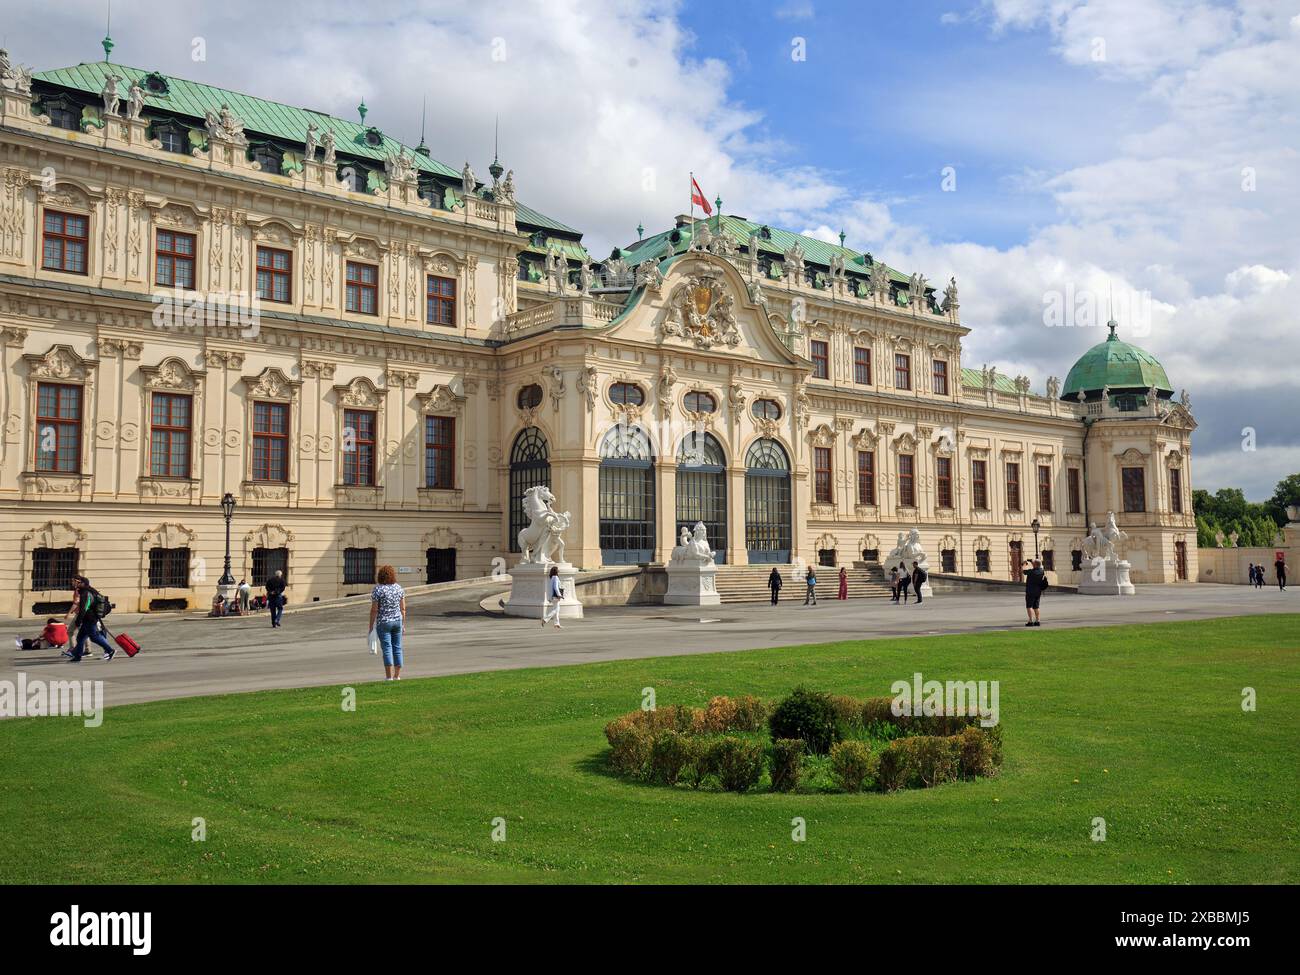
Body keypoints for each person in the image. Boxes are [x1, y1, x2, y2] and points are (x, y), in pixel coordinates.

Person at [369, 564, 407, 681]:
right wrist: (403, 624)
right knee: (397, 648)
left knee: (387, 648)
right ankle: (397, 675)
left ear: (380, 576)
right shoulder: (399, 588)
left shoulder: (378, 589)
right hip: (397, 621)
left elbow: (374, 609)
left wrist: (371, 626)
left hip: (384, 622)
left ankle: (388, 676)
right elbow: (403, 608)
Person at [68, 576, 115, 662]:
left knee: (94, 637)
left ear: (82, 583)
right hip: (88, 618)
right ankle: (77, 656)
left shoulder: (85, 593)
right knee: (80, 638)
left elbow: (84, 608)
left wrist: (78, 620)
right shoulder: (87, 591)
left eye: (76, 582)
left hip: (90, 618)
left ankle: (110, 650)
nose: (74, 583)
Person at [1024, 558, 1047, 626]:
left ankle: (1030, 621)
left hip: (1030, 591)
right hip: (1038, 591)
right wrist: (1032, 562)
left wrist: (1024, 564)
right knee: (1036, 607)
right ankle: (1037, 621)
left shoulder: (1031, 572)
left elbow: (1023, 570)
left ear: (1034, 565)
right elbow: (1038, 565)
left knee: (1029, 606)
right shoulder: (1041, 571)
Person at [541, 565, 564, 629]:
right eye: (558, 569)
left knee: (557, 609)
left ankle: (557, 624)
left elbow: (550, 588)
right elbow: (556, 588)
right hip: (556, 596)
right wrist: (559, 595)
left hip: (553, 596)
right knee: (556, 609)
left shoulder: (552, 578)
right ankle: (545, 619)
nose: (559, 570)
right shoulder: (556, 577)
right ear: (556, 571)